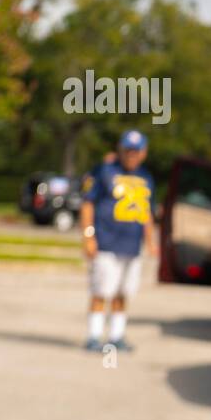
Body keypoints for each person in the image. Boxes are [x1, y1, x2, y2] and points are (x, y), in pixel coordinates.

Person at [79, 130, 156, 351]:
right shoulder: (104, 171)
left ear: (143, 152)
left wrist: (150, 240)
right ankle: (94, 336)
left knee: (123, 293)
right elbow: (87, 203)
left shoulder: (146, 177)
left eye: (136, 151)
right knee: (101, 290)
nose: (131, 155)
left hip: (131, 246)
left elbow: (147, 211)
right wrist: (88, 235)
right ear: (120, 150)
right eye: (128, 150)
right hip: (106, 242)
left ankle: (116, 336)